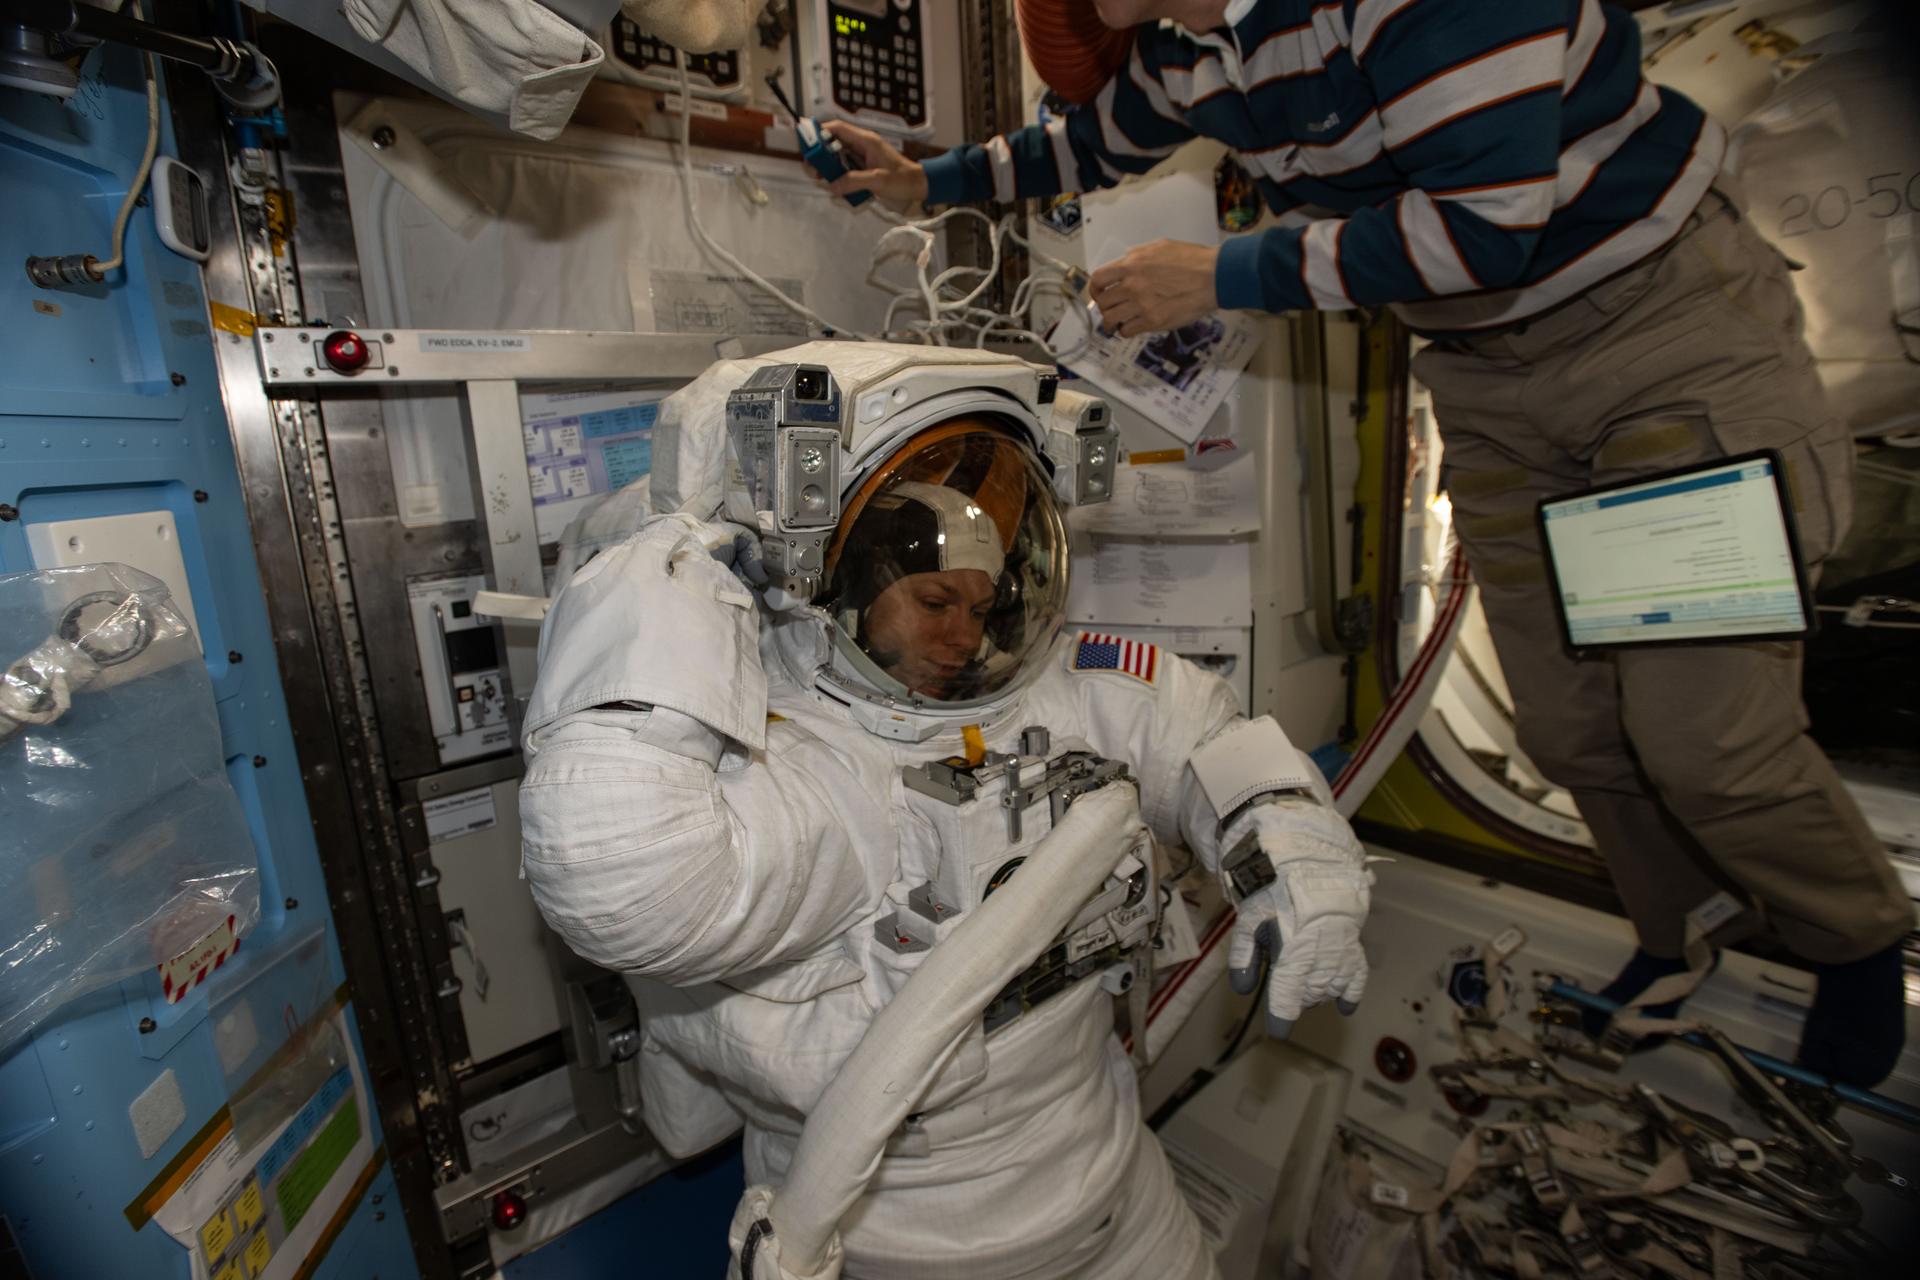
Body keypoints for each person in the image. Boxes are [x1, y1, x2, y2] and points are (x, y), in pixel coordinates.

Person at [818, 0, 1911, 1086]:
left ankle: (1855, 936)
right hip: (1491, 375)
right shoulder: (1185, 51)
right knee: (1571, 727)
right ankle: (1677, 931)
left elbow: (1488, 228)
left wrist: (1220, 274)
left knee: (1706, 733)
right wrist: (923, 179)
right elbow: (1086, 143)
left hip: (1652, 330)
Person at [517, 346, 1374, 1278]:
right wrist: (671, 567)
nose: (963, 634)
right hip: (904, 1252)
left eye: (982, 602)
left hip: (1121, 1210)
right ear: (844, 589)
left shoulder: (1059, 691)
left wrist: (1291, 849)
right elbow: (619, 877)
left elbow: (1209, 738)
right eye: (931, 600)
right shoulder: (805, 766)